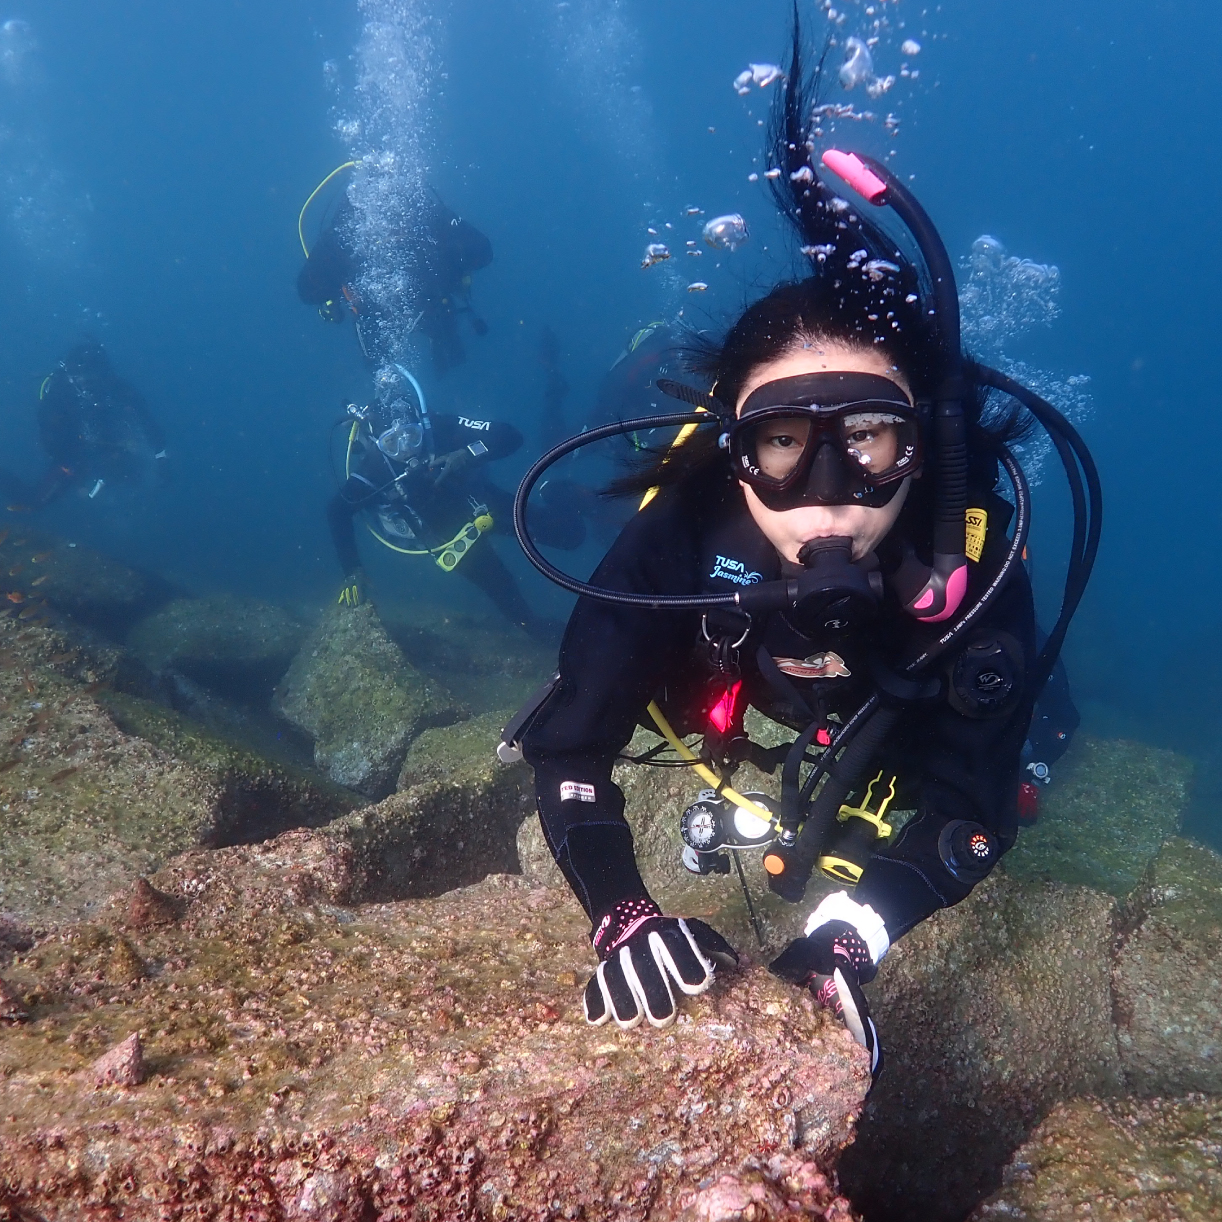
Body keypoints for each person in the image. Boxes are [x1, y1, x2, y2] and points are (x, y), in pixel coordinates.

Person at [507, 25, 1098, 1080]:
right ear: (733, 453)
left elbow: (966, 821)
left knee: (1030, 743)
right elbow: (571, 744)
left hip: (896, 724)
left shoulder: (967, 561)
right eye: (780, 444)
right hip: (759, 711)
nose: (827, 500)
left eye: (868, 441)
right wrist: (622, 914)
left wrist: (845, 938)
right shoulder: (685, 528)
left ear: (925, 452)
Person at [327, 363, 567, 642]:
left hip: (481, 499)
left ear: (421, 426)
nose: (406, 449)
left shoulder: (439, 427)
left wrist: (468, 453)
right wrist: (352, 570)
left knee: (567, 536)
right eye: (392, 443)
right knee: (506, 591)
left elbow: (510, 436)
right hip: (446, 532)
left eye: (411, 436)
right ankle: (539, 630)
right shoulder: (374, 467)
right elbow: (337, 511)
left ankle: (562, 494)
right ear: (378, 444)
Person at [297, 187, 492, 373]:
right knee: (381, 371)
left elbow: (484, 251)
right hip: (375, 320)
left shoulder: (431, 218)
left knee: (444, 336)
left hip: (435, 308)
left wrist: (447, 255)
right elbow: (307, 290)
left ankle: (446, 358)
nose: (393, 232)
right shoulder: (342, 235)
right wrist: (337, 276)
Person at [3, 341, 167, 510]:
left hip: (110, 447)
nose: (87, 383)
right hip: (73, 451)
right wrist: (68, 463)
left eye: (94, 377)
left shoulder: (117, 387)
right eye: (81, 377)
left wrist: (160, 456)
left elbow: (144, 418)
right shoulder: (59, 392)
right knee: (32, 502)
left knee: (136, 482)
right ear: (70, 374)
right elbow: (49, 435)